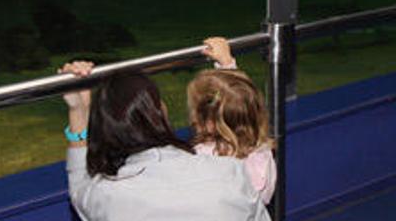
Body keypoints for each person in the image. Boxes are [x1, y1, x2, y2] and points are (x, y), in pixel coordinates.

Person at [59, 63, 271, 221]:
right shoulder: (230, 172)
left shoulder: (108, 196)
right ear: (161, 112)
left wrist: (78, 109)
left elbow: (80, 190)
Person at [192, 36, 277, 204]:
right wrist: (227, 64)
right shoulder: (261, 152)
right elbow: (241, 99)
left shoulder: (203, 159)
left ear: (208, 123)